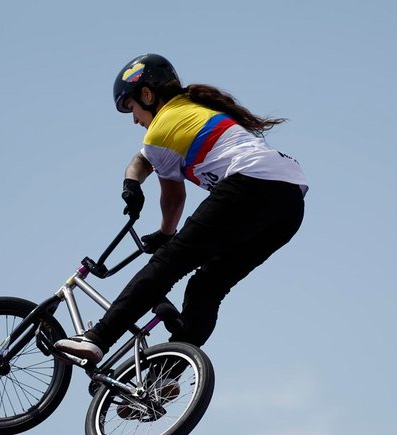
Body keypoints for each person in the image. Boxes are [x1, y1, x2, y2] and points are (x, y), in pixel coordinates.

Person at [54, 54, 307, 368]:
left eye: (131, 107)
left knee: (167, 265)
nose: (134, 119)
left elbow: (173, 198)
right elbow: (143, 158)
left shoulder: (162, 129)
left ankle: (97, 339)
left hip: (251, 185)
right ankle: (166, 377)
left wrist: (166, 233)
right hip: (290, 203)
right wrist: (131, 181)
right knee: (207, 285)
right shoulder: (189, 111)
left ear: (147, 95)